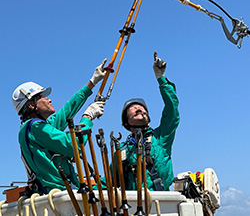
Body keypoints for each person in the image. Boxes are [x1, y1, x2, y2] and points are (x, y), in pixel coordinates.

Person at [12, 59, 107, 194]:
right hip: (58, 192)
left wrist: (92, 82)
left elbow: (67, 110)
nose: (49, 99)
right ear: (30, 105)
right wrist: (88, 117)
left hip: (64, 190)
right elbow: (71, 146)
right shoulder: (34, 128)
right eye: (42, 96)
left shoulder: (39, 127)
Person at [118, 52, 180, 191]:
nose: (139, 108)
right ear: (126, 123)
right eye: (133, 108)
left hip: (162, 202)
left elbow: (172, 110)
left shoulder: (161, 137)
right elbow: (109, 182)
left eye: (142, 108)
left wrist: (161, 78)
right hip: (133, 205)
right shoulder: (121, 150)